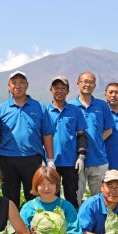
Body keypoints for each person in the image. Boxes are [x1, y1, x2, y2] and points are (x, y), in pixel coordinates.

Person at [0, 71, 55, 208]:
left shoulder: (39, 107)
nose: (17, 86)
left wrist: (50, 160)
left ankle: (34, 225)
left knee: (34, 195)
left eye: (21, 82)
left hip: (33, 159)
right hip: (8, 159)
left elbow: (47, 134)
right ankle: (12, 227)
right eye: (14, 83)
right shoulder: (1, 109)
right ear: (9, 86)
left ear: (27, 85)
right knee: (9, 197)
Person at [69, 72, 115, 205]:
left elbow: (109, 129)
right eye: (84, 81)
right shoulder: (70, 106)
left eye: (91, 82)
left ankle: (100, 225)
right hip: (76, 161)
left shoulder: (102, 106)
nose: (87, 84)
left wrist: (97, 141)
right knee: (75, 198)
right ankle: (77, 225)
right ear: (78, 84)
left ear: (95, 85)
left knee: (101, 199)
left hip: (99, 160)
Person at [47, 76, 88, 209]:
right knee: (52, 194)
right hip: (51, 162)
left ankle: (73, 223)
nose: (59, 91)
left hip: (71, 162)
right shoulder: (45, 111)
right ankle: (54, 223)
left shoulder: (75, 111)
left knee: (72, 195)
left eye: (63, 88)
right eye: (56, 88)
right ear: (51, 90)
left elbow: (81, 135)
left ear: (68, 91)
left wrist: (81, 156)